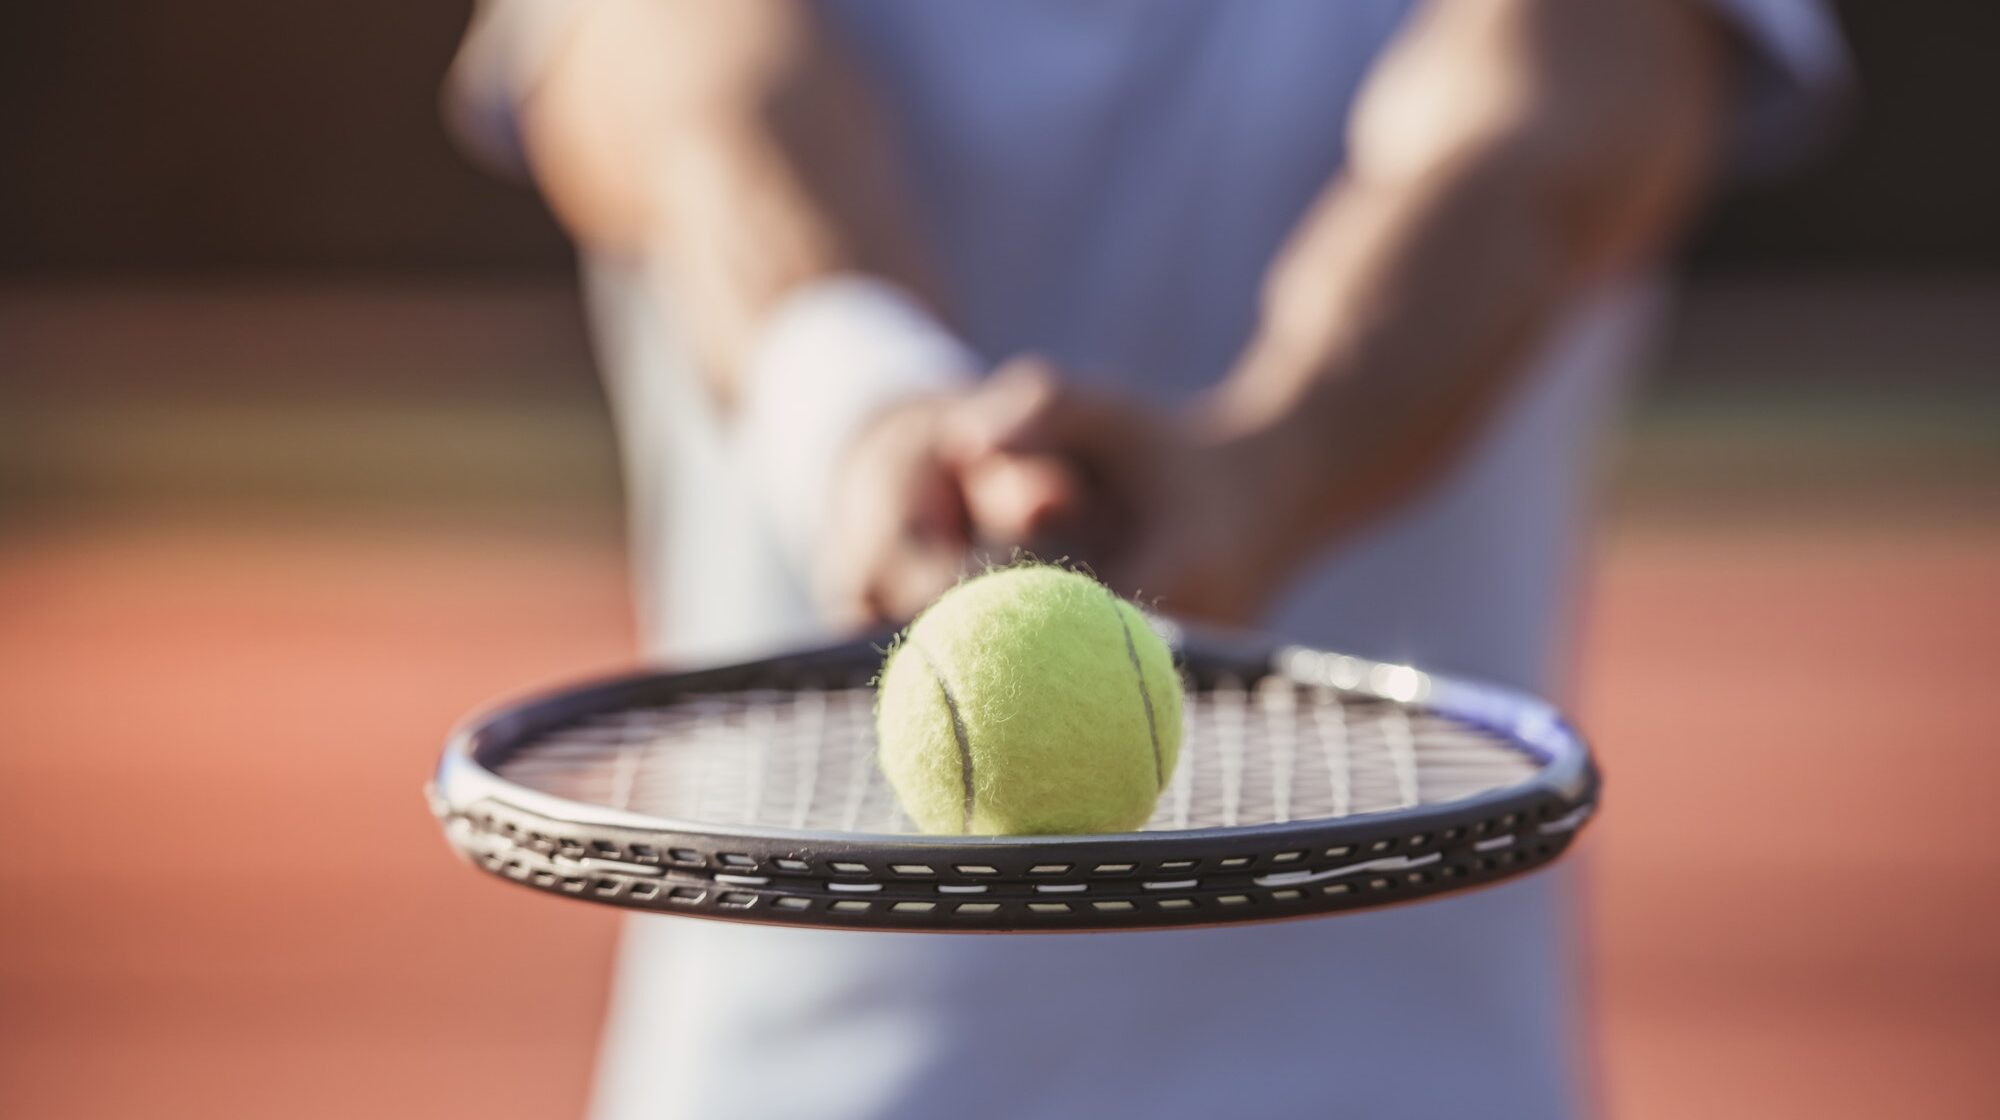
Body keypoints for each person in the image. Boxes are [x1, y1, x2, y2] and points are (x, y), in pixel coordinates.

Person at [447, 2, 1845, 1116]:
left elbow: (1548, 128)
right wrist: (864, 402)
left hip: (1391, 1080)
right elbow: (680, 78)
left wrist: (1274, 458)